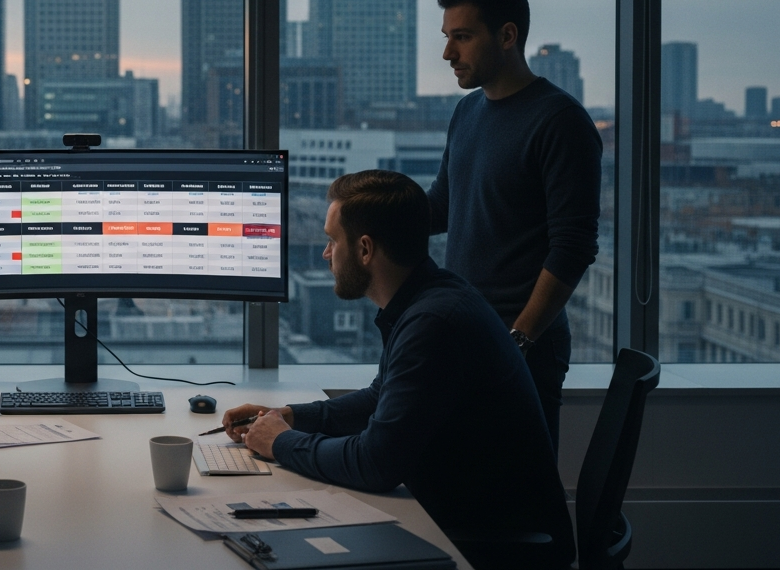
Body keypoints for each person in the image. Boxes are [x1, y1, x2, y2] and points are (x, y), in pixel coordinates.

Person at [223, 171, 574, 570]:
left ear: (365, 249)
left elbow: (375, 463)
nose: (325, 253)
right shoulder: (429, 299)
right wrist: (289, 417)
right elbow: (380, 397)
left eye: (333, 240)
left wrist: (281, 442)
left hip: (494, 543)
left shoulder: (433, 323)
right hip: (466, 517)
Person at [429, 0, 601, 449]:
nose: (448, 54)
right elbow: (441, 207)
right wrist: (363, 214)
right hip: (465, 335)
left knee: (517, 487)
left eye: (462, 37)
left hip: (521, 345)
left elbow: (573, 247)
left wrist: (519, 340)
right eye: (447, 37)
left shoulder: (561, 121)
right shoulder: (467, 112)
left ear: (507, 35)